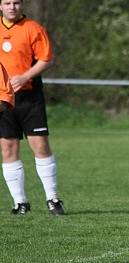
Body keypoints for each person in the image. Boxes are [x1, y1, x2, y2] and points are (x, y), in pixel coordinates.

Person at [0, 0, 65, 215]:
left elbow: (46, 59)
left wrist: (25, 76)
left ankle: (53, 199)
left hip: (30, 97)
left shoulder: (33, 29)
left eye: (16, 2)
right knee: (8, 148)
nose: (12, 7)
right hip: (3, 99)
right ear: (0, 6)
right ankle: (20, 203)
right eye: (7, 2)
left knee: (40, 146)